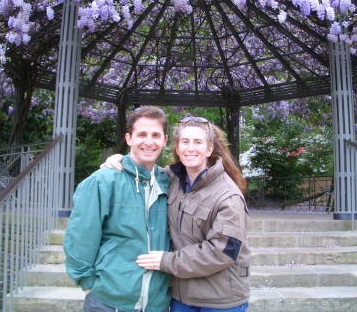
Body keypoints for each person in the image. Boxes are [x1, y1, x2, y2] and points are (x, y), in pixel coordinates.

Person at [103, 114, 251, 312]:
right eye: (185, 141)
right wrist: (121, 160)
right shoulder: (170, 179)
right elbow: (143, 170)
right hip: (182, 297)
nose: (190, 148)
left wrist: (166, 261)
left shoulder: (228, 195)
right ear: (177, 148)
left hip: (219, 300)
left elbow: (222, 251)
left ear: (209, 149)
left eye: (198, 142)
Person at [63, 106, 172, 312]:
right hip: (108, 302)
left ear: (164, 141)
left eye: (155, 135)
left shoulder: (169, 182)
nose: (149, 142)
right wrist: (88, 285)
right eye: (142, 134)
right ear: (129, 138)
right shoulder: (103, 181)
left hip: (157, 304)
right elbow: (80, 238)